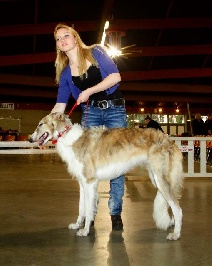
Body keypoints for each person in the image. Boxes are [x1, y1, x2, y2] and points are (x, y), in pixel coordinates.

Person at [51, 23, 126, 231]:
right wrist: (47, 125)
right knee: (87, 167)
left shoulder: (96, 52)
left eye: (66, 35)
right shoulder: (66, 73)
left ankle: (115, 212)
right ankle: (89, 215)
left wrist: (89, 91)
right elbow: (60, 105)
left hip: (114, 109)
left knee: (117, 162)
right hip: (90, 112)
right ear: (58, 45)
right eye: (58, 39)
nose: (63, 40)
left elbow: (115, 77)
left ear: (75, 37)